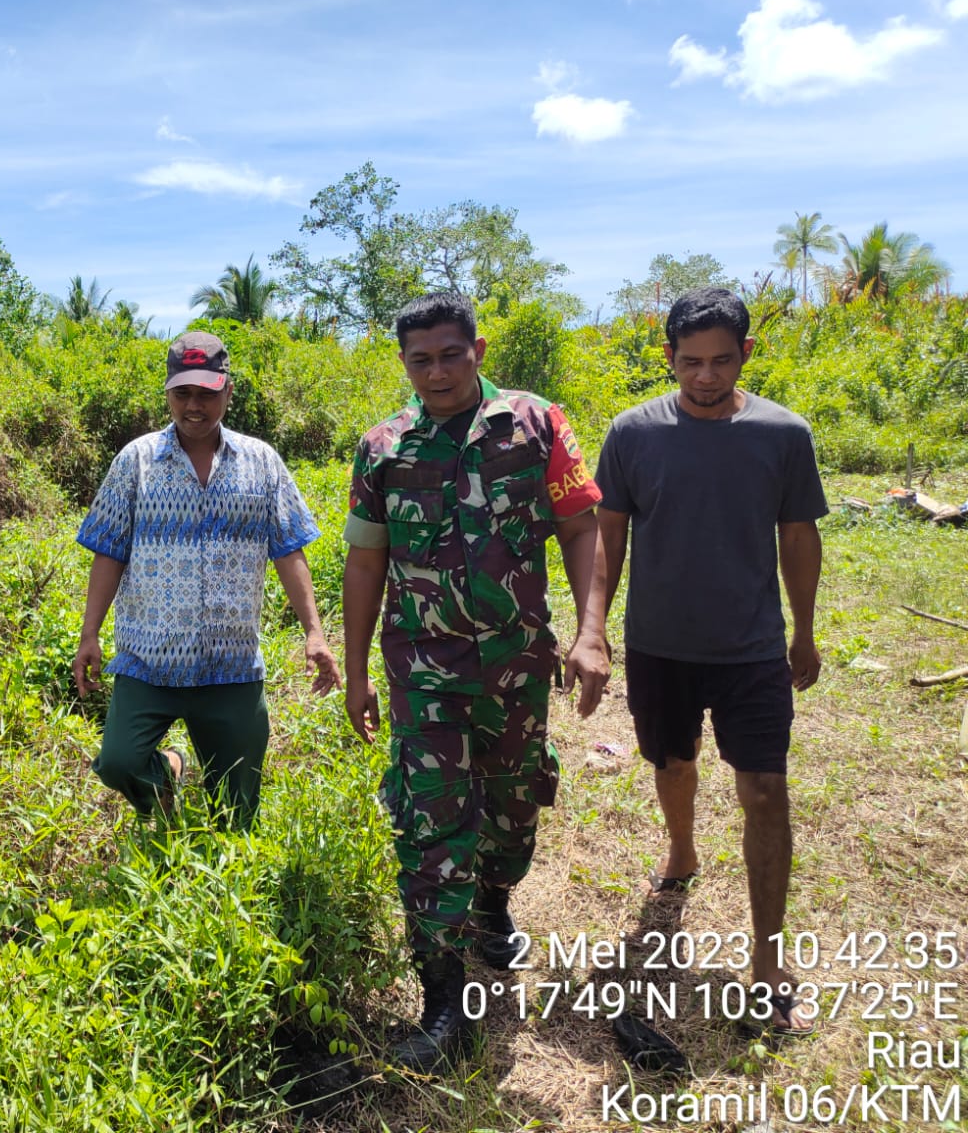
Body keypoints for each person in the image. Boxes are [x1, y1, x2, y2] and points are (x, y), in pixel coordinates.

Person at [342, 291, 609, 1071]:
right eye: (420, 359)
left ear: (479, 350)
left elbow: (581, 524)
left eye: (450, 354)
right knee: (430, 827)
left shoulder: (538, 424)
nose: (437, 372)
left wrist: (591, 633)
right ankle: (443, 1003)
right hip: (424, 671)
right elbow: (366, 561)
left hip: (518, 664)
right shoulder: (383, 447)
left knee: (514, 803)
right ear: (403, 363)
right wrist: (357, 672)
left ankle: (495, 901)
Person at [593, 285, 826, 1036]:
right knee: (673, 765)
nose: (705, 376)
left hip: (752, 646)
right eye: (690, 362)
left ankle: (766, 958)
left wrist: (805, 631)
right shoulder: (632, 434)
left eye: (721, 361)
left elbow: (798, 536)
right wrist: (592, 627)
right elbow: (609, 537)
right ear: (668, 357)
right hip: (659, 643)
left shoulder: (782, 435)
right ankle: (683, 849)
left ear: (746, 355)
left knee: (764, 790)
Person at [72, 331, 341, 831]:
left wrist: (314, 632)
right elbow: (109, 551)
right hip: (149, 659)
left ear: (228, 392)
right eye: (182, 393)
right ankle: (168, 771)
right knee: (119, 763)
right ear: (168, 393)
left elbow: (288, 550)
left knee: (235, 817)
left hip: (231, 664)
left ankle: (214, 881)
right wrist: (89, 634)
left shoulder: (262, 462)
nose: (194, 406)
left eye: (206, 393)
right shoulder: (136, 461)